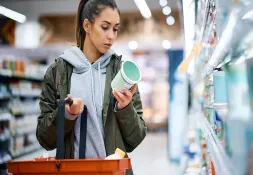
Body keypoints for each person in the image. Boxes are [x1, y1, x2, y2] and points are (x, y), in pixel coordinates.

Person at [36, 0, 147, 174]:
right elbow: (44, 138)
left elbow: (136, 138)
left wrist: (125, 109)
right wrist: (67, 115)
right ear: (87, 25)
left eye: (115, 29)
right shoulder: (58, 73)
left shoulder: (122, 73)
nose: (111, 35)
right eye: (105, 27)